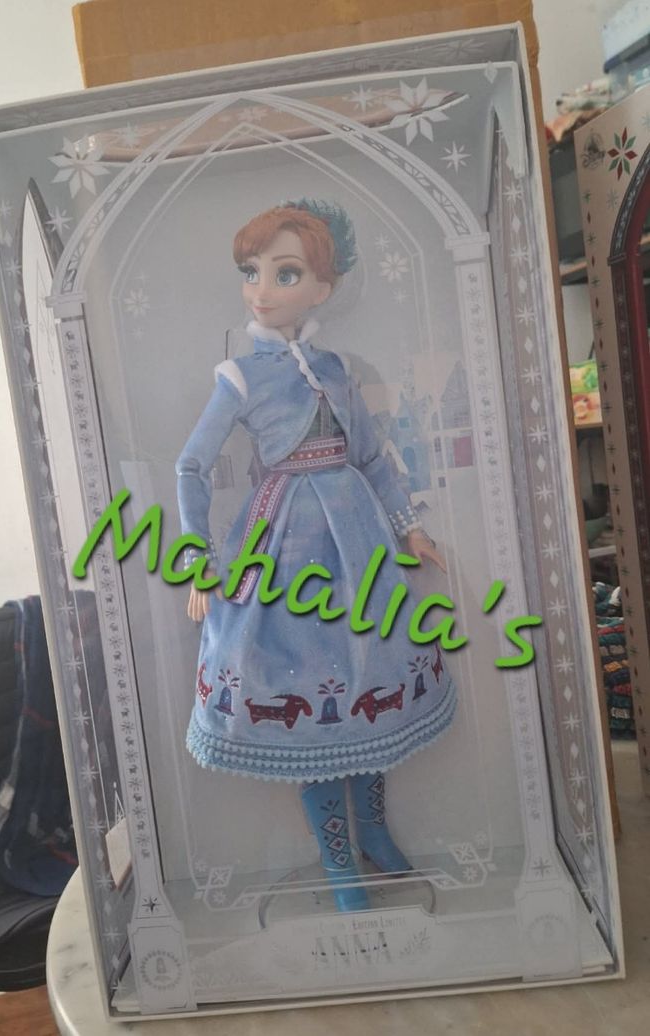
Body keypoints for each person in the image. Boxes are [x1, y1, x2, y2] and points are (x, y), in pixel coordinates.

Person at [176, 199, 457, 911]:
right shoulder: (240, 375)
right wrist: (200, 558)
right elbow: (190, 465)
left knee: (369, 682)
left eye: (285, 273)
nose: (261, 290)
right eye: (251, 272)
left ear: (322, 288)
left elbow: (370, 456)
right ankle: (338, 861)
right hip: (282, 542)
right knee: (305, 705)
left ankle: (375, 834)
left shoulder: (335, 368)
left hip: (357, 540)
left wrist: (409, 528)